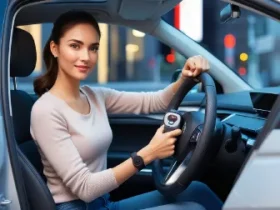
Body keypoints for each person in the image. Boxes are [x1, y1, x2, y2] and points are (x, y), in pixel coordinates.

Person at [30, 10, 223, 210]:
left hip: (103, 203)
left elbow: (155, 102)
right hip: (76, 207)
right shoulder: (45, 110)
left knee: (197, 191)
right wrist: (148, 154)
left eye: (93, 48)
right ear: (55, 48)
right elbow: (85, 188)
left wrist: (185, 77)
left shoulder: (94, 96)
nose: (85, 56)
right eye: (75, 46)